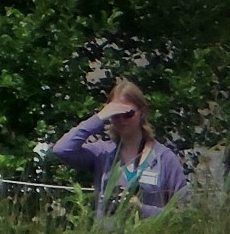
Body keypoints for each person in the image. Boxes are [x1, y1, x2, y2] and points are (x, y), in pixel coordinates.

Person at [53, 79, 189, 219]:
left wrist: (142, 210)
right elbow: (62, 149)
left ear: (142, 112)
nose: (122, 120)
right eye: (115, 115)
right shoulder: (102, 152)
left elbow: (185, 212)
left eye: (128, 113)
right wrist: (99, 117)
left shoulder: (163, 158)